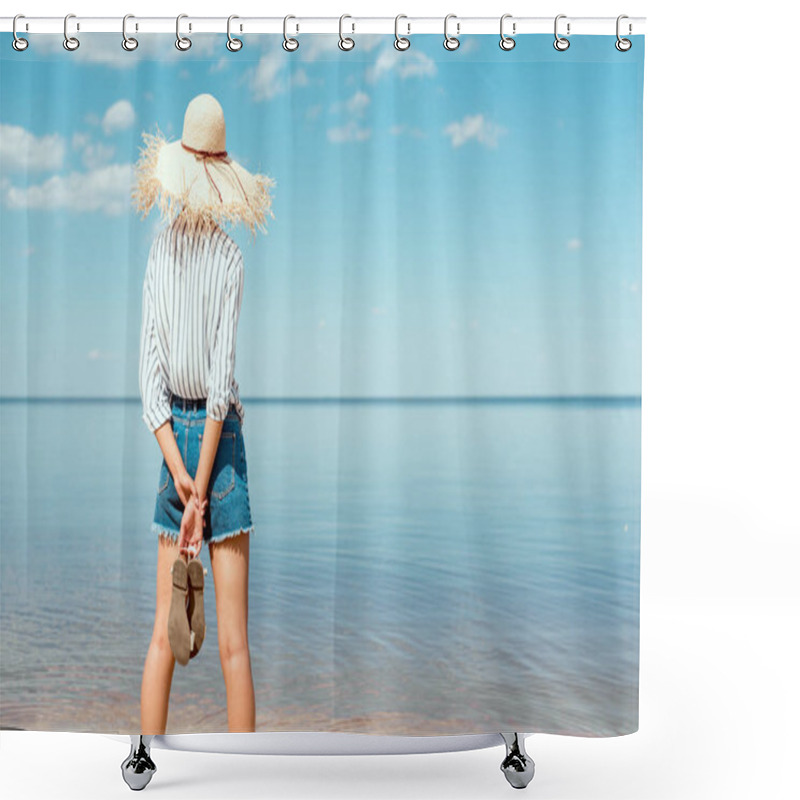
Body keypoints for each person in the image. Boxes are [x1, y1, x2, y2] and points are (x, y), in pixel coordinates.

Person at [131, 92, 274, 735]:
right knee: (233, 649)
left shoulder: (159, 252)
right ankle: (246, 785)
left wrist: (179, 475)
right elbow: (220, 388)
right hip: (220, 446)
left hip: (176, 452)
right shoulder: (231, 260)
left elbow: (150, 381)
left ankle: (144, 766)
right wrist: (205, 488)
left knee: (164, 637)